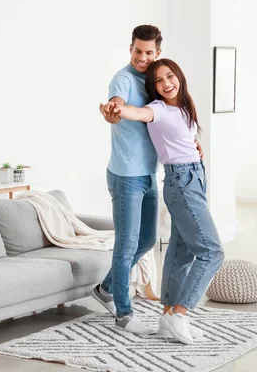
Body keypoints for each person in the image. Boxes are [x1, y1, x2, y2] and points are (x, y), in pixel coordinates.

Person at [110, 58, 225, 344]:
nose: (166, 84)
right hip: (181, 183)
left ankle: (167, 316)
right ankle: (180, 314)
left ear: (179, 77)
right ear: (154, 88)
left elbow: (184, 139)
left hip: (194, 179)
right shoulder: (158, 109)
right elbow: (136, 112)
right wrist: (116, 108)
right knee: (212, 251)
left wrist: (195, 146)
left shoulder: (183, 106)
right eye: (159, 81)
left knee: (181, 251)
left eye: (170, 77)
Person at [90, 25, 163, 335]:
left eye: (148, 53)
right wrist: (112, 111)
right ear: (130, 49)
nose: (142, 58)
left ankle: (106, 288)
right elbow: (116, 105)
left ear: (158, 53)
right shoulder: (122, 79)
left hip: (148, 174)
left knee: (147, 240)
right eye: (137, 51)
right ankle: (123, 312)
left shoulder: (154, 79)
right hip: (125, 177)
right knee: (126, 244)